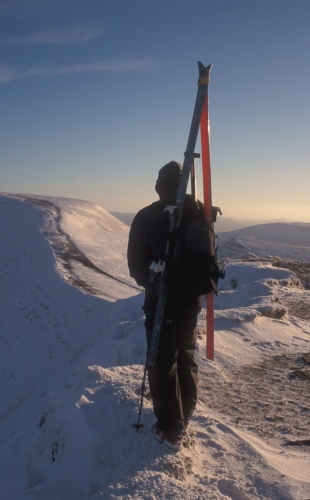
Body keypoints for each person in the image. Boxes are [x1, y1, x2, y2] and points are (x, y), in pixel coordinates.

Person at [127, 161, 203, 452]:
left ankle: (171, 429)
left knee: (160, 362)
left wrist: (152, 282)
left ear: (160, 185)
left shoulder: (147, 216)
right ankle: (184, 414)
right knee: (185, 354)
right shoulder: (199, 212)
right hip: (191, 301)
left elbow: (136, 265)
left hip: (162, 301)